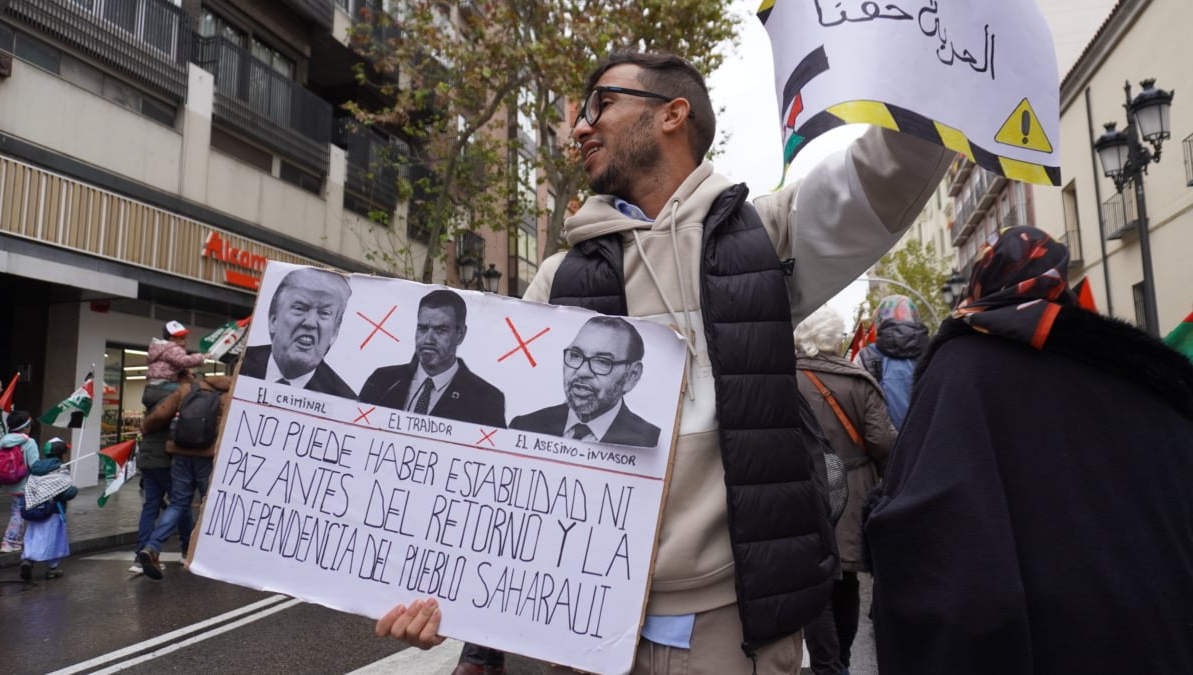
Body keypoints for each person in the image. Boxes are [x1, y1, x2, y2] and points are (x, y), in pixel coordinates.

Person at [384, 50, 950, 674]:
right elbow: (497, 463)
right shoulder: (556, 281)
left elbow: (891, 169)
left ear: (672, 114)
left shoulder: (765, 239)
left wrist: (936, 47)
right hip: (584, 625)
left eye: (601, 103)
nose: (579, 126)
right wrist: (451, 607)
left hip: (733, 631)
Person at [865, 226, 1193, 674]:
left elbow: (935, 538)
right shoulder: (1132, 369)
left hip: (1044, 636)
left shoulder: (961, 367)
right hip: (1147, 629)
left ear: (982, 280)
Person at [793, 306, 895, 675]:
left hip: (802, 490)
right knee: (846, 577)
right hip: (852, 490)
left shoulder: (785, 379)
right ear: (835, 339)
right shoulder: (858, 381)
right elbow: (883, 442)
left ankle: (828, 665)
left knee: (813, 580)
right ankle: (843, 661)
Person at [134, 374, 233, 580]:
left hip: (181, 454)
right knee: (210, 505)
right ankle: (213, 555)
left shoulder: (186, 390)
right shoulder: (227, 396)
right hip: (207, 457)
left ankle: (152, 547)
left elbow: (161, 413)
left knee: (178, 503)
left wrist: (145, 426)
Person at [359, 289, 504, 427]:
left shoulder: (486, 400)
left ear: (460, 334)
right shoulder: (382, 381)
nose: (428, 340)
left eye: (440, 330)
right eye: (422, 328)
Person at [511, 316, 660, 448]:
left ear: (631, 375)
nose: (582, 372)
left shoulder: (650, 443)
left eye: (602, 362)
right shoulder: (524, 427)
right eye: (575, 355)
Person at [239, 267, 356, 399]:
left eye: (324, 313)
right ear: (273, 320)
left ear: (335, 332)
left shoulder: (344, 400)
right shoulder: (238, 364)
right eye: (299, 308)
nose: (310, 323)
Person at [130, 370, 195, 575]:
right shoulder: (177, 396)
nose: (193, 377)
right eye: (191, 373)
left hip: (147, 459)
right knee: (181, 504)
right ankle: (185, 550)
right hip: (167, 459)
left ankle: (139, 557)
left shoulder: (151, 395)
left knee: (150, 507)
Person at [857, 295, 928, 429]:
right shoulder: (933, 351)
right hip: (926, 436)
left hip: (887, 439)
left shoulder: (866, 356)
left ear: (879, 319)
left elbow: (859, 406)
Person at [19, 438, 77, 581]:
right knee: (52, 540)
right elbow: (65, 493)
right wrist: (72, 490)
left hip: (34, 508)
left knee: (33, 536)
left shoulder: (36, 468)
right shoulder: (61, 469)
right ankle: (52, 569)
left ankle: (28, 560)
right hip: (53, 511)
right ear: (63, 455)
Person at [0, 410, 39, 553]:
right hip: (23, 483)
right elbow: (34, 466)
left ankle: (16, 540)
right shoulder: (29, 442)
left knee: (17, 509)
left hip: (8, 482)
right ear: (26, 427)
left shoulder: (4, 440)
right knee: (19, 512)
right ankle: (9, 541)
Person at [147, 320, 206, 396]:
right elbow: (183, 361)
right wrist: (202, 357)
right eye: (182, 338)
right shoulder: (172, 348)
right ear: (171, 339)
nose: (185, 341)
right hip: (164, 384)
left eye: (185, 338)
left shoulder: (161, 349)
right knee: (189, 392)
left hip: (154, 384)